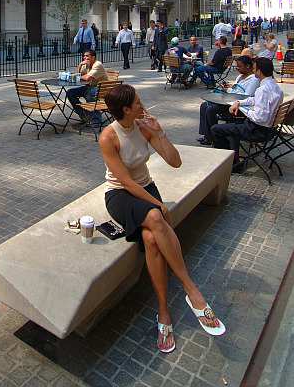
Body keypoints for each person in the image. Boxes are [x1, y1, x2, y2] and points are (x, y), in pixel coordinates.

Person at [100, 84, 226, 353]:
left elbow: (175, 161)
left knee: (151, 239)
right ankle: (192, 291)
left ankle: (163, 312)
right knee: (156, 218)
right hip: (120, 196)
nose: (142, 105)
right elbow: (126, 183)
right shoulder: (108, 137)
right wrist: (158, 206)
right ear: (125, 109)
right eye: (137, 102)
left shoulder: (144, 128)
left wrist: (159, 131)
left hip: (147, 189)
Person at [211, 58, 284, 170]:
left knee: (216, 129)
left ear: (259, 72)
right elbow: (255, 100)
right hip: (270, 129)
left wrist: (245, 109)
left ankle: (230, 165)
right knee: (231, 124)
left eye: (254, 69)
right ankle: (233, 160)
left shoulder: (263, 89)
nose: (253, 71)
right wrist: (239, 102)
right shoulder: (275, 87)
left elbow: (259, 118)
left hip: (256, 130)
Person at [197, 56, 259, 145]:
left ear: (248, 66)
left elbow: (246, 95)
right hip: (231, 101)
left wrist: (229, 90)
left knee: (211, 109)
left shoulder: (253, 79)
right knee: (204, 105)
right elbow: (236, 88)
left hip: (240, 106)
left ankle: (214, 137)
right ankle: (207, 136)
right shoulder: (240, 76)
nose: (238, 68)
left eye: (240, 66)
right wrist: (229, 87)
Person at [66, 49, 108, 123]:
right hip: (90, 87)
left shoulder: (97, 65)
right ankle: (85, 115)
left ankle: (96, 119)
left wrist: (78, 76)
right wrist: (80, 65)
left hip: (101, 89)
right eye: (84, 56)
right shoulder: (85, 66)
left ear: (93, 58)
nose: (85, 58)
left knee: (88, 93)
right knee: (70, 92)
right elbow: (75, 74)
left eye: (87, 56)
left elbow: (87, 77)